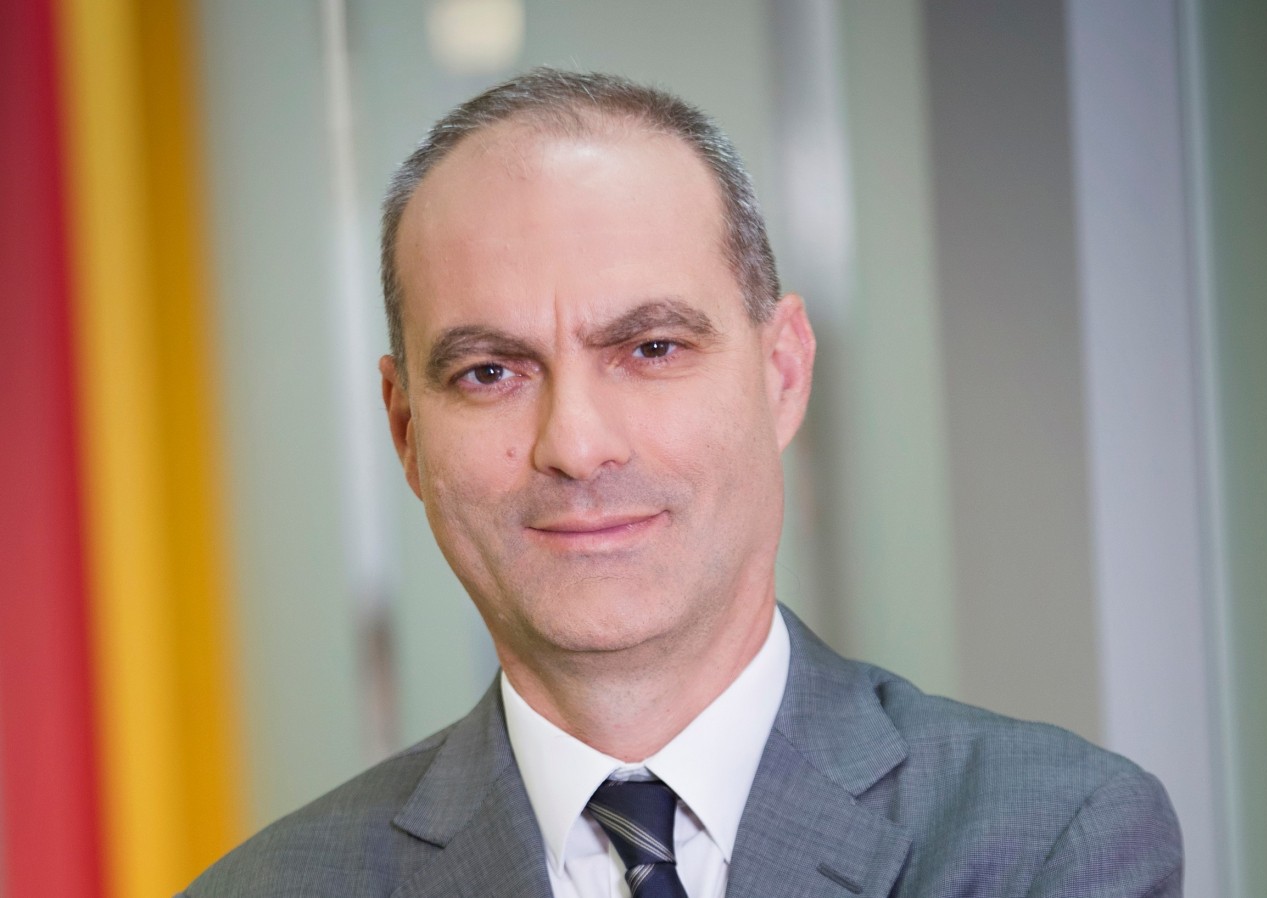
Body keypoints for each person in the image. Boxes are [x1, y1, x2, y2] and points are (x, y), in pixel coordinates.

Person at [183, 68, 1182, 898]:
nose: (576, 445)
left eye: (651, 348)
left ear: (782, 372)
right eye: (489, 372)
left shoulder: (1048, 841)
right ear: (406, 430)